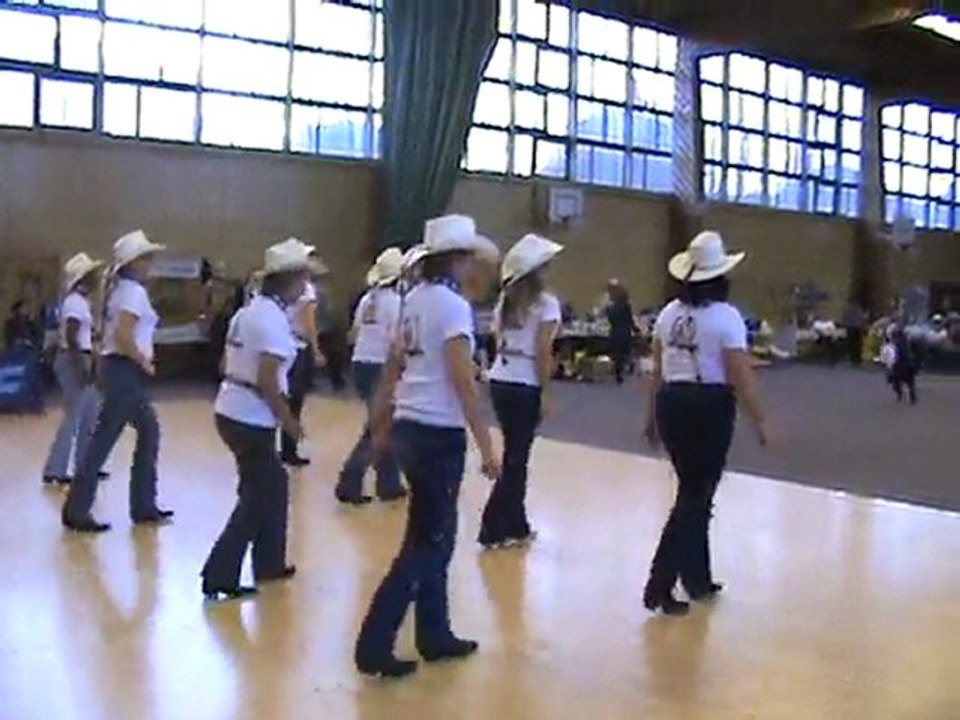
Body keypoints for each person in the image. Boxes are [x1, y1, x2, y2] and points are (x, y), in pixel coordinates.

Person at [354, 214, 501, 679]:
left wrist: (380, 427)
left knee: (433, 533)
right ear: (458, 260)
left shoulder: (412, 301)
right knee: (428, 543)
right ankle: (375, 643)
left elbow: (391, 369)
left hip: (408, 424)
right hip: (439, 432)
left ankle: (435, 633)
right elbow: (462, 379)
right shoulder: (453, 308)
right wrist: (486, 444)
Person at [643, 231, 768, 616]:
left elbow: (657, 369)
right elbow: (740, 373)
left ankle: (698, 577)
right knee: (695, 497)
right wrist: (760, 419)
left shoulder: (668, 314)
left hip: (672, 403)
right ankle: (660, 583)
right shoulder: (727, 318)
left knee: (695, 491)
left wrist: (650, 416)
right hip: (708, 406)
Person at [201, 239, 315, 601]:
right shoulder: (272, 320)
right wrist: (289, 422)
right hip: (251, 417)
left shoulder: (248, 312)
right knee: (259, 494)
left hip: (231, 409)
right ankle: (219, 572)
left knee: (271, 485)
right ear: (292, 281)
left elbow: (224, 365)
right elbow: (268, 379)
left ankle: (269, 563)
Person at [62, 230, 172, 533]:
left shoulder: (120, 290)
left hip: (117, 369)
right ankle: (79, 509)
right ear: (135, 263)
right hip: (125, 369)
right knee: (106, 439)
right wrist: (143, 360)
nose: (151, 264)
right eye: (147, 258)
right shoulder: (133, 293)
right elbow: (124, 336)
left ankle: (143, 505)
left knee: (148, 431)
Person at [478, 233, 563, 549]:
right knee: (517, 458)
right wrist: (546, 391)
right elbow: (544, 349)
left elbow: (496, 339)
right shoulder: (547, 304)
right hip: (525, 381)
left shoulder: (506, 301)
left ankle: (517, 523)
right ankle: (493, 527)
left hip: (501, 377)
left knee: (516, 454)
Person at [335, 247, 406, 505]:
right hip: (381, 365)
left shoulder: (367, 299)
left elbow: (354, 332)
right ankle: (350, 480)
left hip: (361, 362)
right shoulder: (397, 302)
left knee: (383, 424)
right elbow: (398, 341)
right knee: (378, 426)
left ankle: (389, 482)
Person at [42, 254, 103, 486]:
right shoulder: (75, 303)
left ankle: (84, 467)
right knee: (74, 416)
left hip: (79, 357)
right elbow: (71, 334)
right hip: (74, 359)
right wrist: (81, 365)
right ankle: (55, 470)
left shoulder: (80, 302)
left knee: (89, 414)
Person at [280, 242, 326, 467]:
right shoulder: (306, 289)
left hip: (284, 345)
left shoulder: (286, 288)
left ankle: (284, 446)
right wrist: (316, 350)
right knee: (295, 401)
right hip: (298, 348)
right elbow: (308, 323)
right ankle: (289, 448)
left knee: (286, 397)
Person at [605, 280, 637, 384]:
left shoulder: (612, 307)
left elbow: (610, 318)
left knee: (617, 352)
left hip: (615, 331)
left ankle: (618, 370)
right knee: (623, 352)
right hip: (624, 331)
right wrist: (636, 329)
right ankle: (623, 367)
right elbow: (630, 319)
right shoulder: (625, 305)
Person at [843, 300, 867, 366]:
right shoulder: (859, 310)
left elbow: (845, 318)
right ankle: (858, 359)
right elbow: (862, 319)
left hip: (851, 327)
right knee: (858, 344)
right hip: (857, 327)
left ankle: (853, 359)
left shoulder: (849, 309)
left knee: (852, 344)